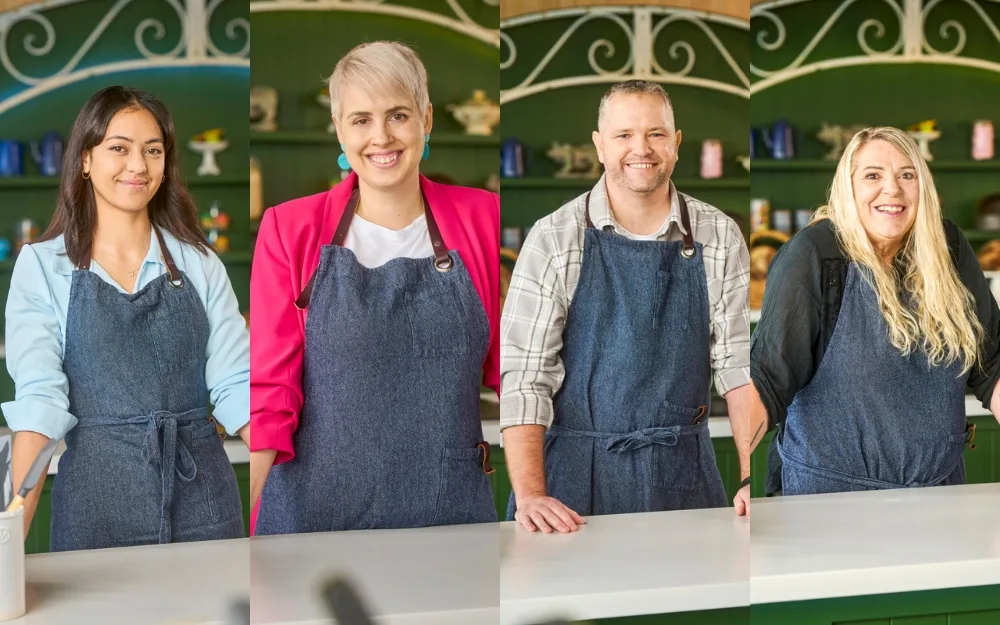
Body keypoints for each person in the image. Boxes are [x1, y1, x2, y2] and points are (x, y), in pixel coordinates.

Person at [250, 41, 500, 534]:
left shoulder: (483, 217)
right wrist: (241, 530)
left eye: (398, 115)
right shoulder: (289, 228)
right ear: (339, 129)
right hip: (312, 520)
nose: (381, 137)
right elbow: (270, 390)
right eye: (361, 119)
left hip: (449, 515)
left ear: (426, 120)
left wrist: (535, 491)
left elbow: (515, 374)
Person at [500, 80, 753, 534]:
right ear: (599, 146)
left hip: (685, 480)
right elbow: (524, 377)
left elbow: (737, 368)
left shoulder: (720, 236)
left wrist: (751, 476)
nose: (642, 148)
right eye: (624, 136)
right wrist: (532, 494)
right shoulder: (554, 238)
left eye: (656, 134)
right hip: (571, 491)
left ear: (676, 145)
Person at [3, 86, 249, 551]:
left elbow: (238, 384)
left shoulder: (198, 262)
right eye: (120, 148)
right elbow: (39, 402)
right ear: (85, 160)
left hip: (206, 507)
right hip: (95, 510)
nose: (138, 166)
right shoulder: (42, 265)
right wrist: (10, 536)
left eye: (152, 151)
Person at [749, 126, 1000, 496]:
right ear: (848, 189)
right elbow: (767, 379)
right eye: (872, 175)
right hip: (829, 502)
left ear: (923, 187)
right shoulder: (815, 255)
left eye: (907, 175)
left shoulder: (949, 249)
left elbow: (991, 362)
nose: (892, 189)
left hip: (939, 496)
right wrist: (741, 474)